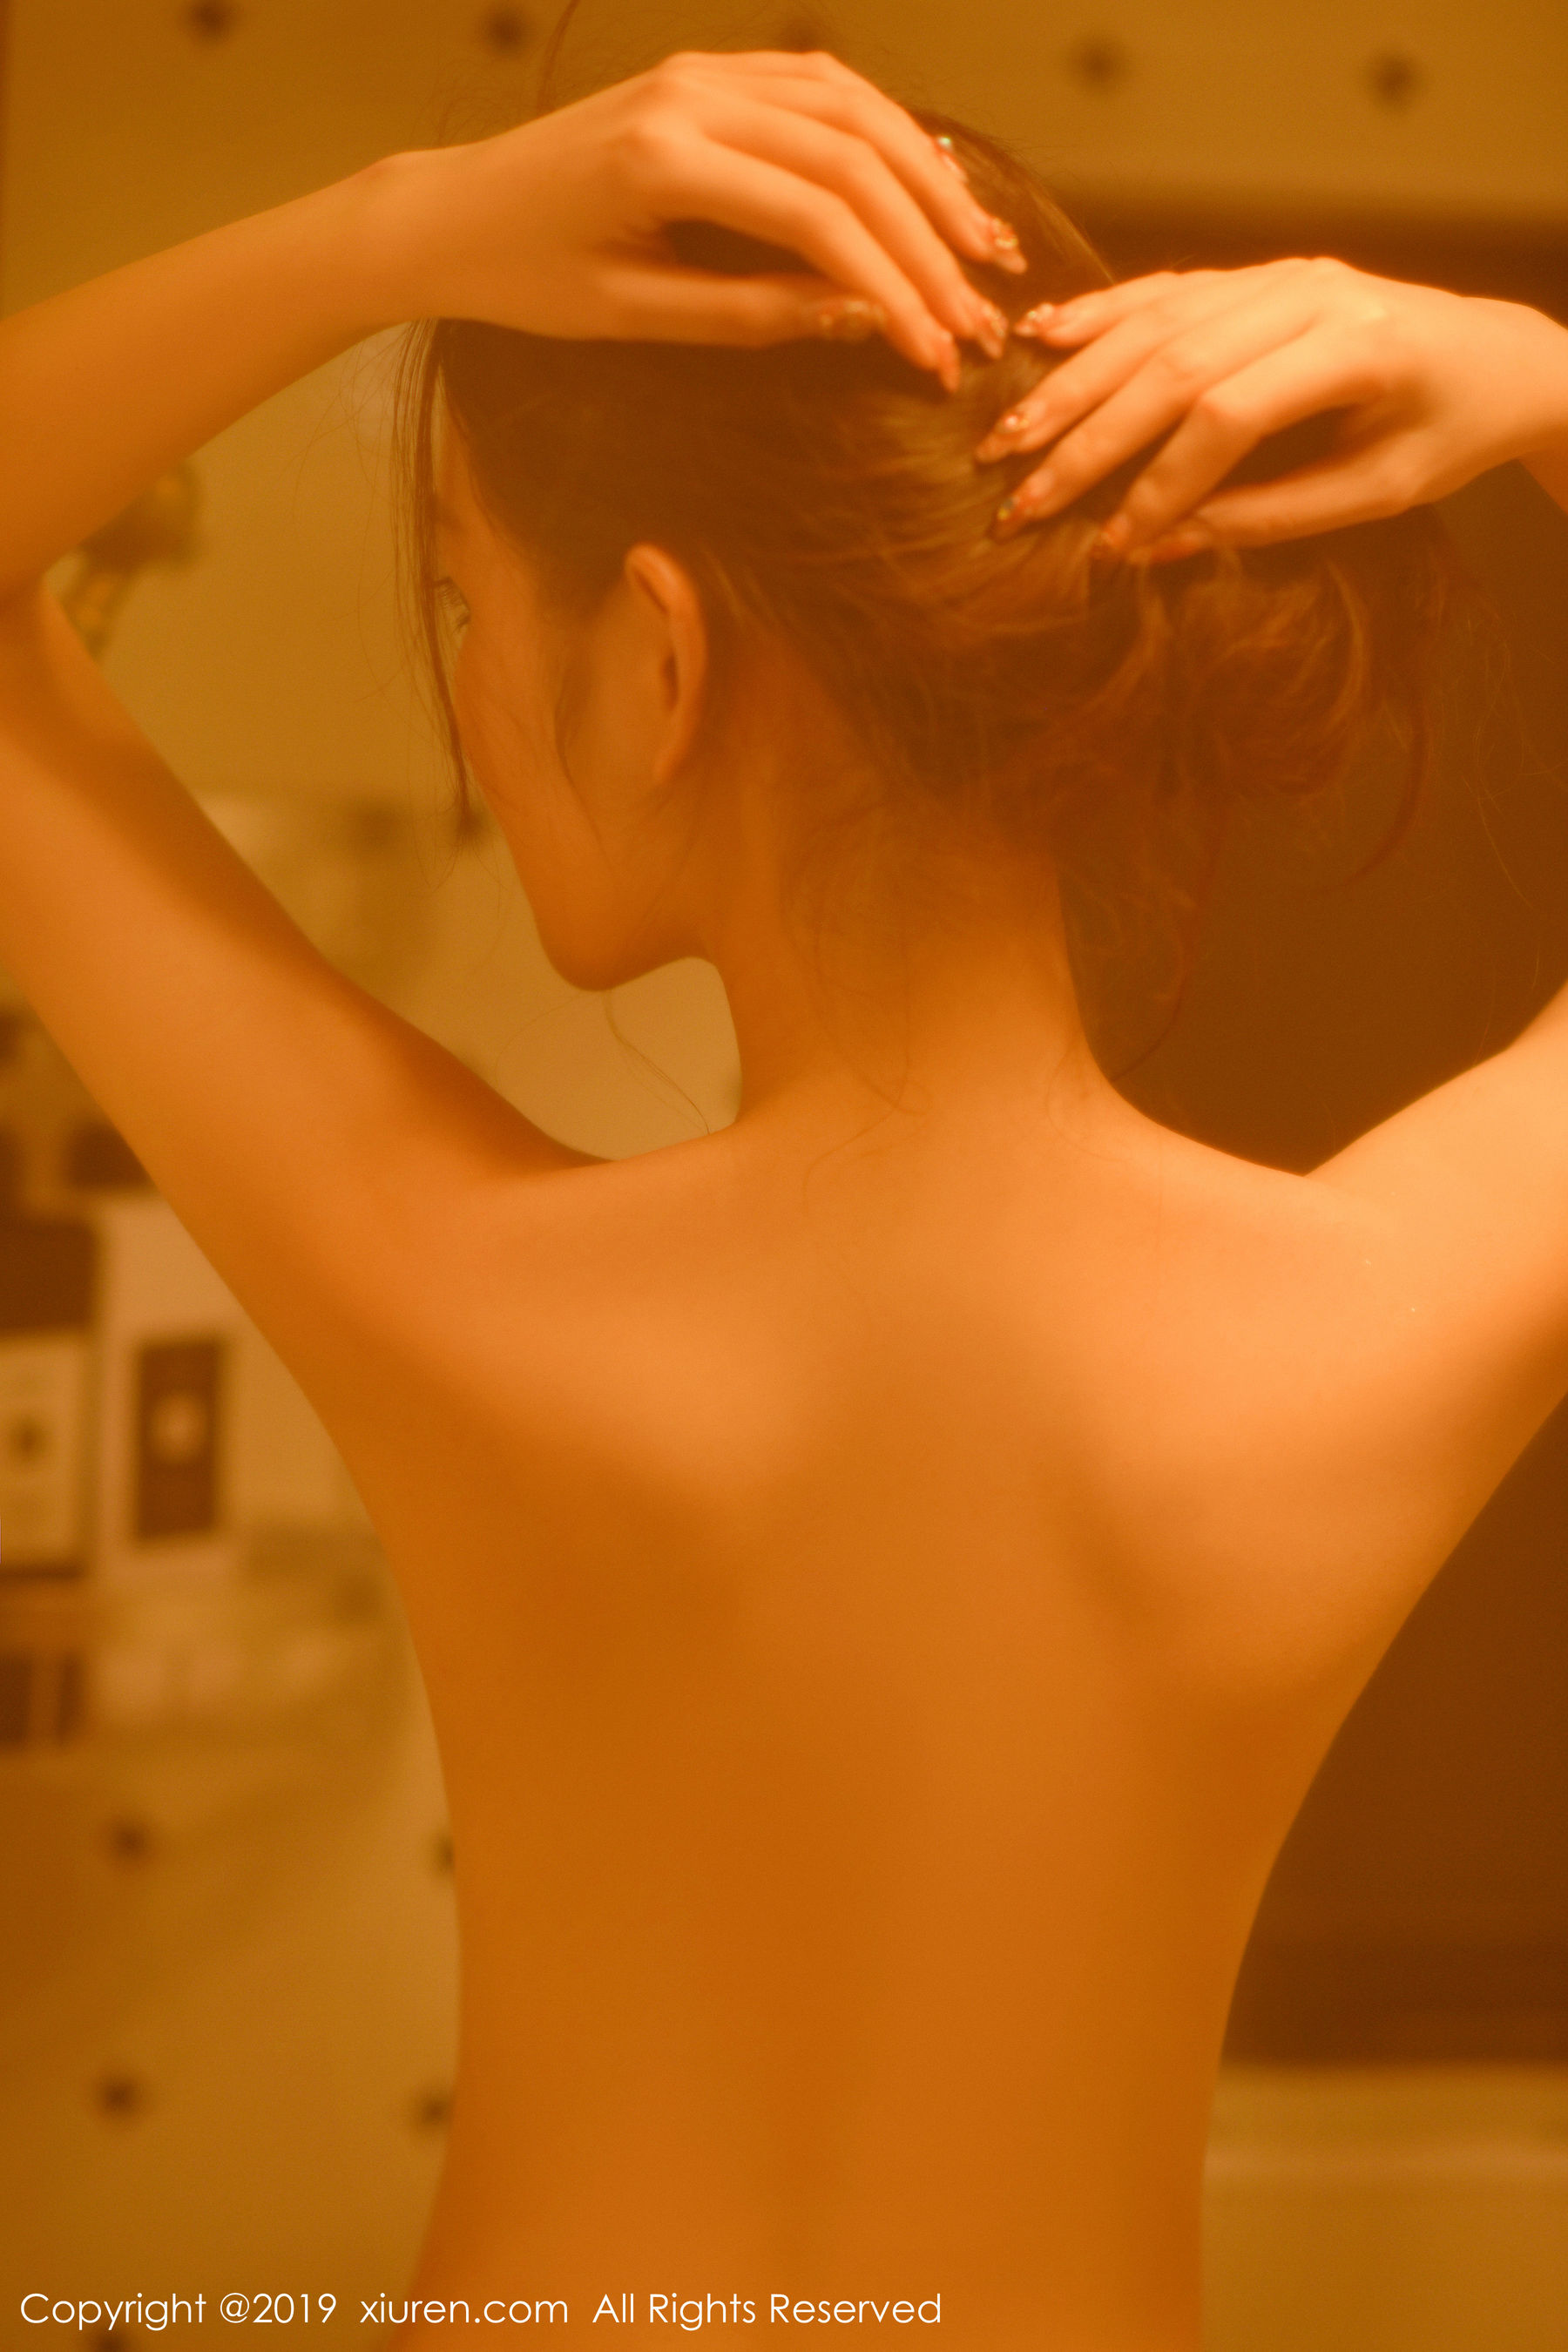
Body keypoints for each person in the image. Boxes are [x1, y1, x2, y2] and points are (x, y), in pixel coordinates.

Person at [2, 43, 1566, 2352]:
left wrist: (396, 228)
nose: (468, 690)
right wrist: (1525, 373)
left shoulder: (459, 1294)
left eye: (464, 603)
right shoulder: (1354, 1341)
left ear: (659, 657)